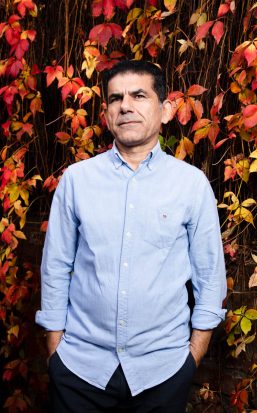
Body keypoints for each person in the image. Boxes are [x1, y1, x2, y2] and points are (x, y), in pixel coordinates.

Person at [36, 60, 227, 413]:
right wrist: (56, 351)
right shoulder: (77, 181)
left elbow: (209, 277)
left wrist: (191, 359)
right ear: (106, 113)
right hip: (80, 370)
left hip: (163, 373)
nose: (125, 105)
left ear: (166, 109)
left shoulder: (191, 185)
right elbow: (55, 268)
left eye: (139, 95)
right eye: (114, 98)